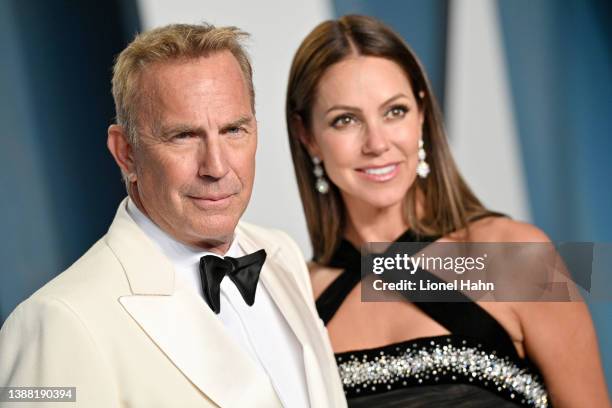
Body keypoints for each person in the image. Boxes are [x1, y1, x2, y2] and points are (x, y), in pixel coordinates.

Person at [0, 23, 346, 408]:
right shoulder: (57, 322)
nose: (216, 166)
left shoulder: (282, 255)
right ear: (126, 152)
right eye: (183, 136)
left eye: (234, 130)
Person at [286, 14, 610, 408]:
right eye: (346, 120)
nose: (376, 142)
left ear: (421, 114)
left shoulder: (516, 258)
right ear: (308, 137)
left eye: (395, 111)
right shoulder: (297, 299)